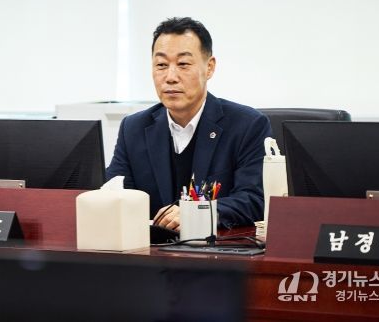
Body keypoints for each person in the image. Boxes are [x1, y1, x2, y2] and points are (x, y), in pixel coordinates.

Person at [106, 17, 271, 230]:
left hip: (218, 248)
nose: (170, 77)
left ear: (209, 67)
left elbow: (254, 199)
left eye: (183, 64)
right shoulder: (133, 128)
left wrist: (197, 214)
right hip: (150, 248)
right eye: (161, 65)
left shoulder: (247, 125)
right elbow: (115, 195)